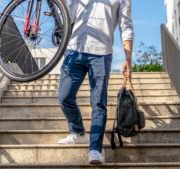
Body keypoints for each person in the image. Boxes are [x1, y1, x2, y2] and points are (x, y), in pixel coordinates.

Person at [57, 0, 134, 164]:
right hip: (74, 50)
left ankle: (95, 149)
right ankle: (77, 132)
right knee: (64, 97)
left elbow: (126, 26)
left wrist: (128, 58)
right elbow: (69, 18)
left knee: (98, 103)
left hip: (101, 53)